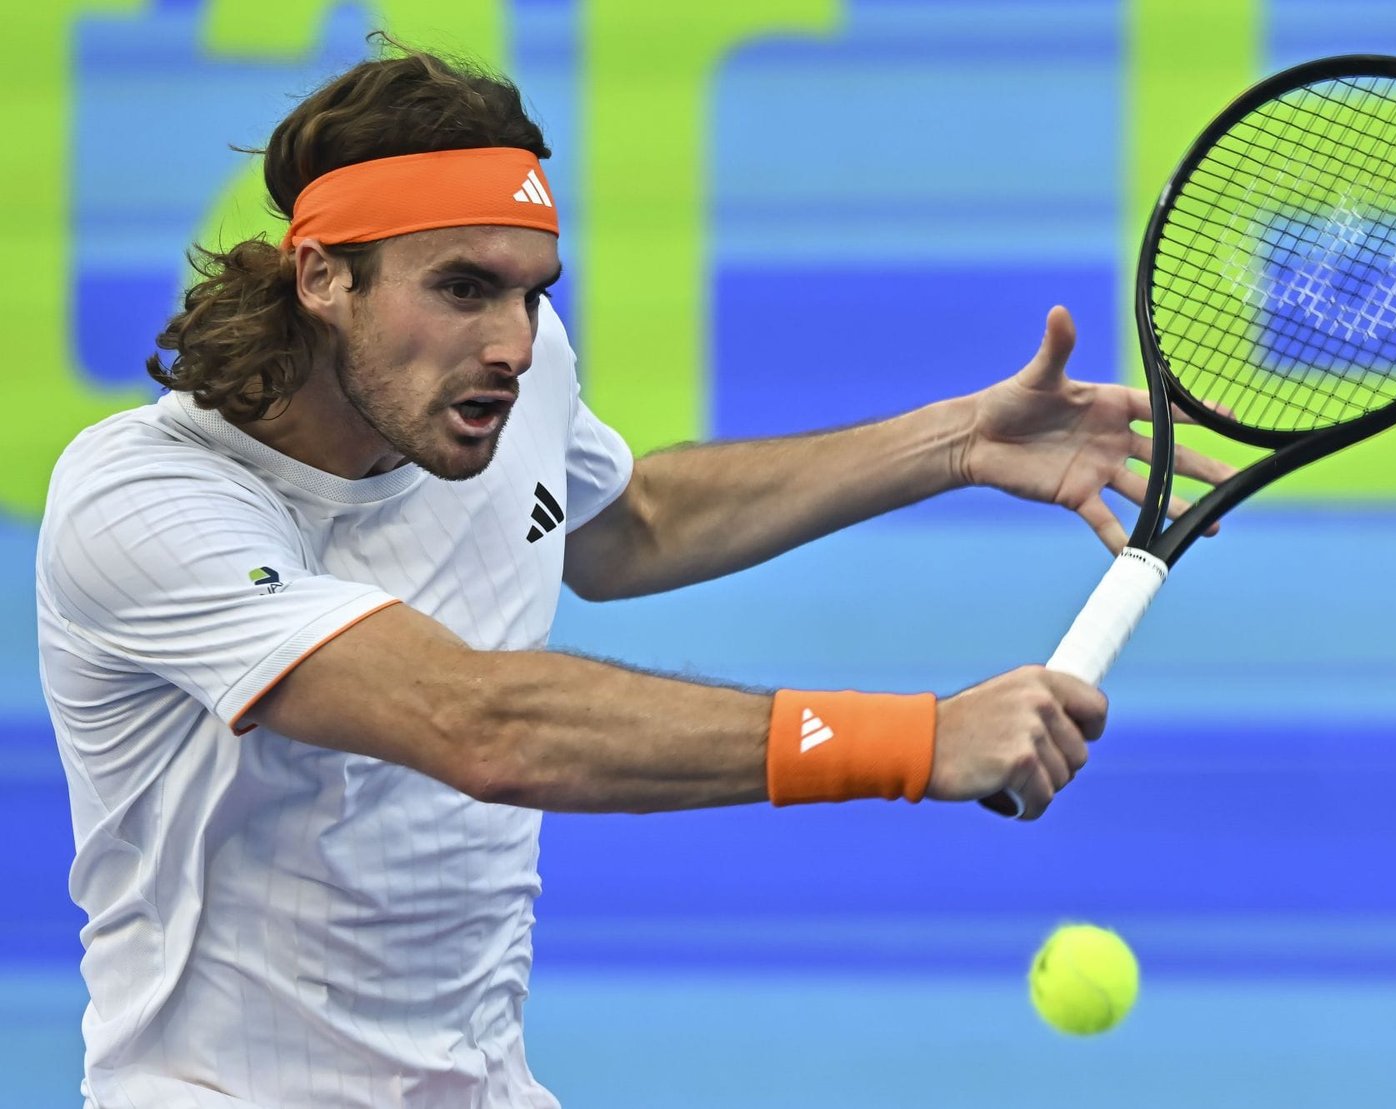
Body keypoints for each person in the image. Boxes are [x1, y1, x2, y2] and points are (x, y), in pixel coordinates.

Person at [36, 40, 1232, 1109]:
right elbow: (478, 723)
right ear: (321, 276)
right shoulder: (142, 501)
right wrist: (916, 739)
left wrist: (955, 440)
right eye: (461, 286)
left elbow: (627, 526)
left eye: (531, 290)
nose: (511, 341)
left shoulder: (506, 378)